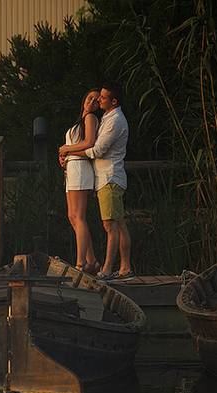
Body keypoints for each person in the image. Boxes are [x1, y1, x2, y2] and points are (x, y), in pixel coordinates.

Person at [60, 81, 132, 280]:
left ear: (114, 101)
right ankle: (124, 267)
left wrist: (69, 152)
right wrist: (67, 154)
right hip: (104, 177)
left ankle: (106, 269)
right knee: (118, 222)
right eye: (95, 97)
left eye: (102, 97)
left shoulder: (115, 120)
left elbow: (96, 149)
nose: (98, 99)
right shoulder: (108, 118)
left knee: (111, 225)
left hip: (110, 177)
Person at [57, 89, 101, 273]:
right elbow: (76, 145)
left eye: (97, 100)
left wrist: (66, 149)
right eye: (90, 97)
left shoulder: (91, 118)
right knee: (72, 216)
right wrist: (63, 156)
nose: (92, 101)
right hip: (72, 168)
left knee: (79, 216)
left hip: (81, 167)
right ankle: (92, 261)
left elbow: (90, 142)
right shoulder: (80, 120)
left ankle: (80, 263)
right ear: (84, 99)